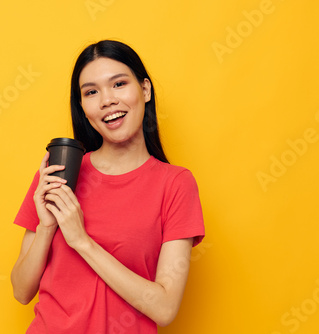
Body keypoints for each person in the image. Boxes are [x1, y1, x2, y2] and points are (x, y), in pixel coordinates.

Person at [11, 40, 205, 333]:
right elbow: (21, 291)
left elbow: (164, 308)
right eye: (91, 92)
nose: (107, 101)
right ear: (84, 107)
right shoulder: (59, 172)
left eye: (118, 84)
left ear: (145, 90)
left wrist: (81, 241)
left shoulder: (175, 184)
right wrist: (47, 227)